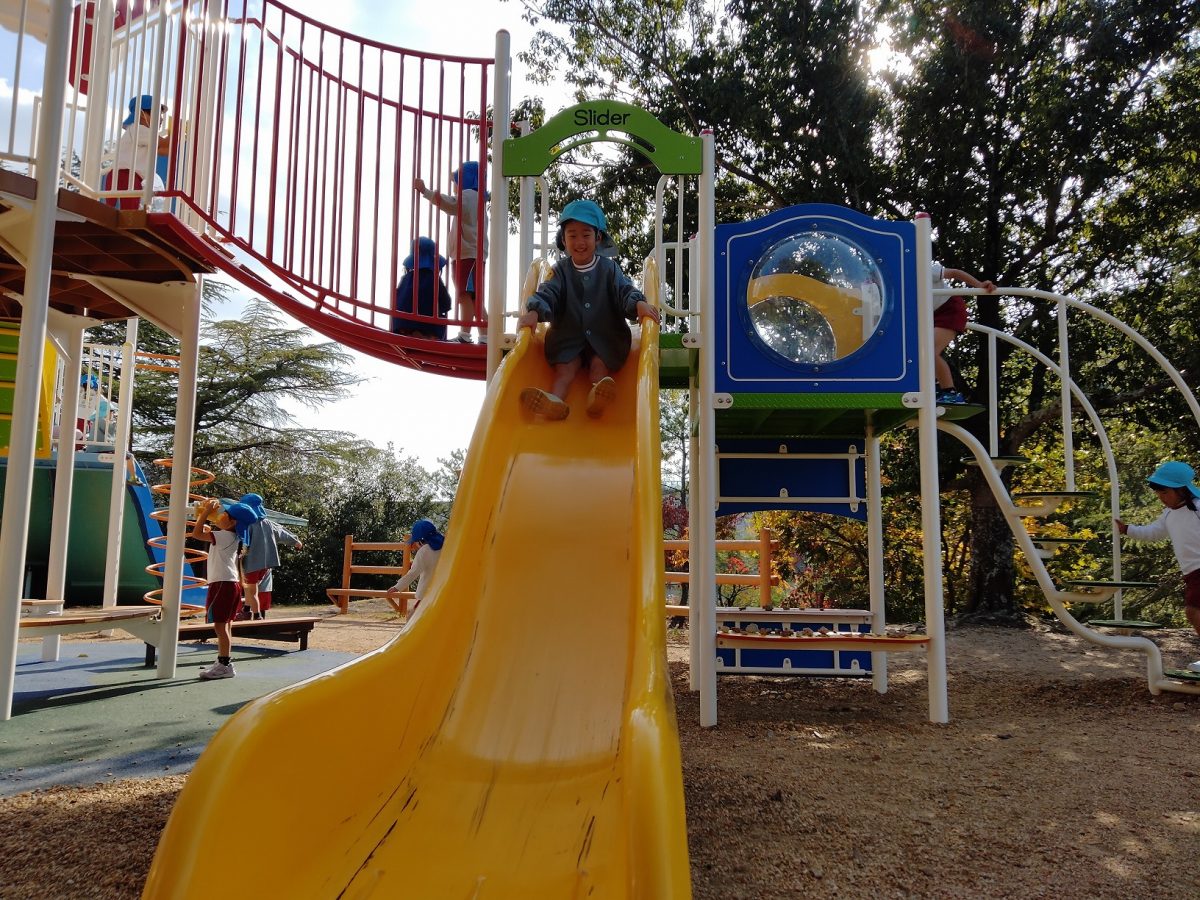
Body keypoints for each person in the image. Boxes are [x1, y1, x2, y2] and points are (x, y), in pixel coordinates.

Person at [515, 199, 660, 420]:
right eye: (572, 235)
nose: (579, 242)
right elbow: (548, 293)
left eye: (586, 235)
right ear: (563, 240)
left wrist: (638, 304)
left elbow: (624, 290)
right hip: (568, 338)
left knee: (599, 366)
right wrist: (534, 312)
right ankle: (555, 402)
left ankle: (596, 397)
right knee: (564, 370)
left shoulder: (609, 269)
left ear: (597, 238)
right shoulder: (559, 271)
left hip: (605, 337)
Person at [1114, 461, 1200, 672]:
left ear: (1181, 490)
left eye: (1165, 492)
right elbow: (1153, 532)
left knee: (1193, 611)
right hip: (1191, 573)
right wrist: (1128, 529)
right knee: (1194, 612)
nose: (1161, 497)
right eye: (1158, 493)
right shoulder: (1169, 514)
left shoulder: (1198, 507)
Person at [414, 161, 488, 343]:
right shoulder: (476, 198)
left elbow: (451, 205)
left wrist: (425, 191)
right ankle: (486, 336)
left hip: (468, 255)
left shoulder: (469, 196)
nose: (454, 185)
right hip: (470, 254)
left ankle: (465, 335)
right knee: (474, 298)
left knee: (465, 295)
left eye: (456, 180)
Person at [191, 498, 258, 680]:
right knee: (225, 625)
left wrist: (206, 512)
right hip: (229, 583)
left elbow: (196, 534)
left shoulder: (223, 536)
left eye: (224, 515)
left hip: (222, 584)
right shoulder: (231, 536)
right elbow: (205, 532)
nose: (220, 516)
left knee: (220, 626)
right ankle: (224, 661)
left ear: (232, 522)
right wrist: (205, 515)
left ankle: (224, 665)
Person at [930, 261, 996, 404]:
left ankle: (949, 393)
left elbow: (955, 273)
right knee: (920, 352)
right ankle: (935, 387)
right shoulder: (900, 285)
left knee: (929, 351)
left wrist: (979, 284)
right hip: (933, 314)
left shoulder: (924, 270)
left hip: (950, 309)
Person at [236, 492, 302, 620]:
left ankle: (257, 615)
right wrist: (295, 541)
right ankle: (246, 609)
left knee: (252, 591)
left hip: (251, 564)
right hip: (265, 565)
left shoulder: (247, 524)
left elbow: (240, 541)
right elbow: (282, 532)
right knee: (250, 588)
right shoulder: (268, 523)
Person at [103, 94, 172, 210]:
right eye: (156, 114)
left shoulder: (142, 135)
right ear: (141, 114)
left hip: (125, 176)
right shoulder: (138, 128)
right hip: (126, 175)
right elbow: (165, 144)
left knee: (115, 211)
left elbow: (164, 150)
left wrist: (175, 139)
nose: (161, 118)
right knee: (129, 213)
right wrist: (177, 130)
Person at [392, 237, 452, 340]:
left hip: (400, 327)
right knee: (440, 315)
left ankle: (408, 332)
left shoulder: (405, 278)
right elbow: (446, 303)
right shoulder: (434, 279)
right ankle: (425, 335)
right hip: (427, 328)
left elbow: (397, 298)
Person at [385, 518, 444, 620]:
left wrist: (397, 587)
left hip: (427, 593)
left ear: (421, 541)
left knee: (411, 619)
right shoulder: (447, 546)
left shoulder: (424, 551)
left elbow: (413, 573)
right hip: (444, 590)